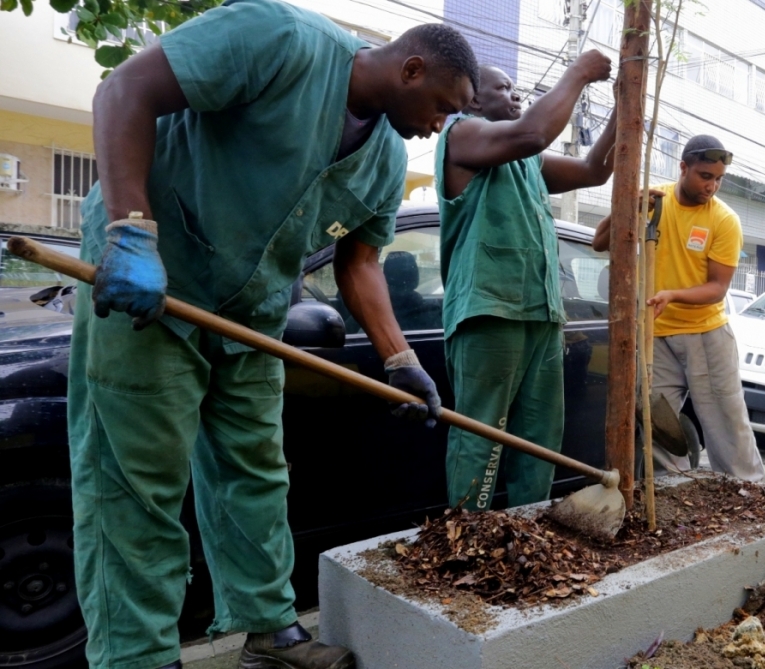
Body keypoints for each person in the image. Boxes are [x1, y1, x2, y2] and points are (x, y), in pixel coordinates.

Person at [70, 1, 478, 667]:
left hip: (251, 315)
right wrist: (130, 230)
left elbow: (360, 262)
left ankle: (269, 633)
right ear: (411, 68)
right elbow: (126, 89)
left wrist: (400, 357)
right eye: (442, 106)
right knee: (137, 477)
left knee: (257, 473)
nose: (441, 126)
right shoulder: (281, 38)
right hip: (152, 283)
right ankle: (138, 656)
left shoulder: (383, 161)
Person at [436, 58, 616, 510]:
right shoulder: (461, 134)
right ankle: (468, 532)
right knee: (481, 432)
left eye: (515, 88)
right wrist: (579, 72)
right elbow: (532, 132)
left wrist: (622, 109)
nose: (516, 95)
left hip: (542, 313)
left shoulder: (528, 161)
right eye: (503, 88)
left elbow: (594, 170)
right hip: (490, 309)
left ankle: (528, 525)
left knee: (539, 437)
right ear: (474, 99)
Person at [593, 135, 765, 481]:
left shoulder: (724, 219)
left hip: (705, 335)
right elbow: (599, 242)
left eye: (719, 179)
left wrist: (671, 295)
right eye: (705, 176)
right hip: (655, 335)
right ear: (683, 167)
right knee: (659, 424)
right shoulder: (652, 201)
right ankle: (672, 491)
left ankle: (746, 491)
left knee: (726, 423)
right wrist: (627, 209)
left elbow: (717, 289)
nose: (712, 186)